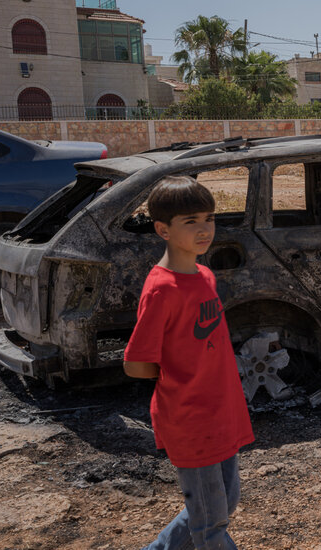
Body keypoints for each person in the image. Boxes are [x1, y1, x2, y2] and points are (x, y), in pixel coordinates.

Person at [123, 175, 254, 550]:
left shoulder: (205, 275)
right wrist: (180, 382)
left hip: (221, 412)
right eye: (190, 221)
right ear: (162, 229)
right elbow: (136, 363)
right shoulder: (162, 289)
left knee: (224, 502)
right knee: (211, 525)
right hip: (190, 419)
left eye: (209, 219)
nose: (204, 229)